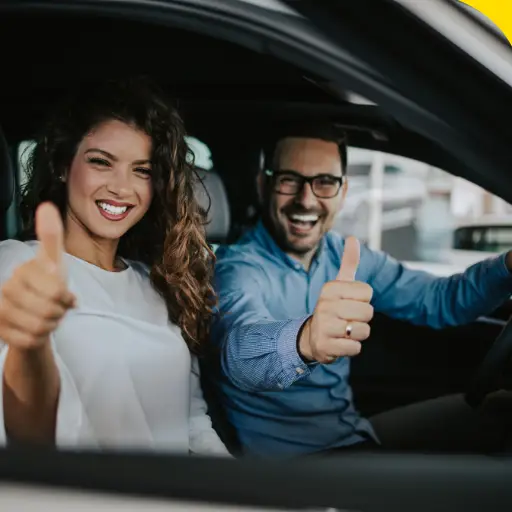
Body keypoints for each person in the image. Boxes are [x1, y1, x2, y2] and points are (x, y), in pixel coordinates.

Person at [210, 120, 512, 458]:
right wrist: (304, 341)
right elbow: (238, 353)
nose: (306, 199)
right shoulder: (237, 267)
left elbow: (441, 301)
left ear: (343, 191)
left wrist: (508, 267)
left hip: (349, 432)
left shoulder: (345, 255)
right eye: (289, 180)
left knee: (499, 412)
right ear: (263, 187)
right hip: (297, 467)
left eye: (324, 182)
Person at [0, 78, 229, 456]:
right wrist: (32, 348)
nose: (122, 188)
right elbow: (30, 430)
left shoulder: (157, 283)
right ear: (61, 166)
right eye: (101, 162)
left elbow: (192, 422)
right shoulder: (17, 265)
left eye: (141, 171)